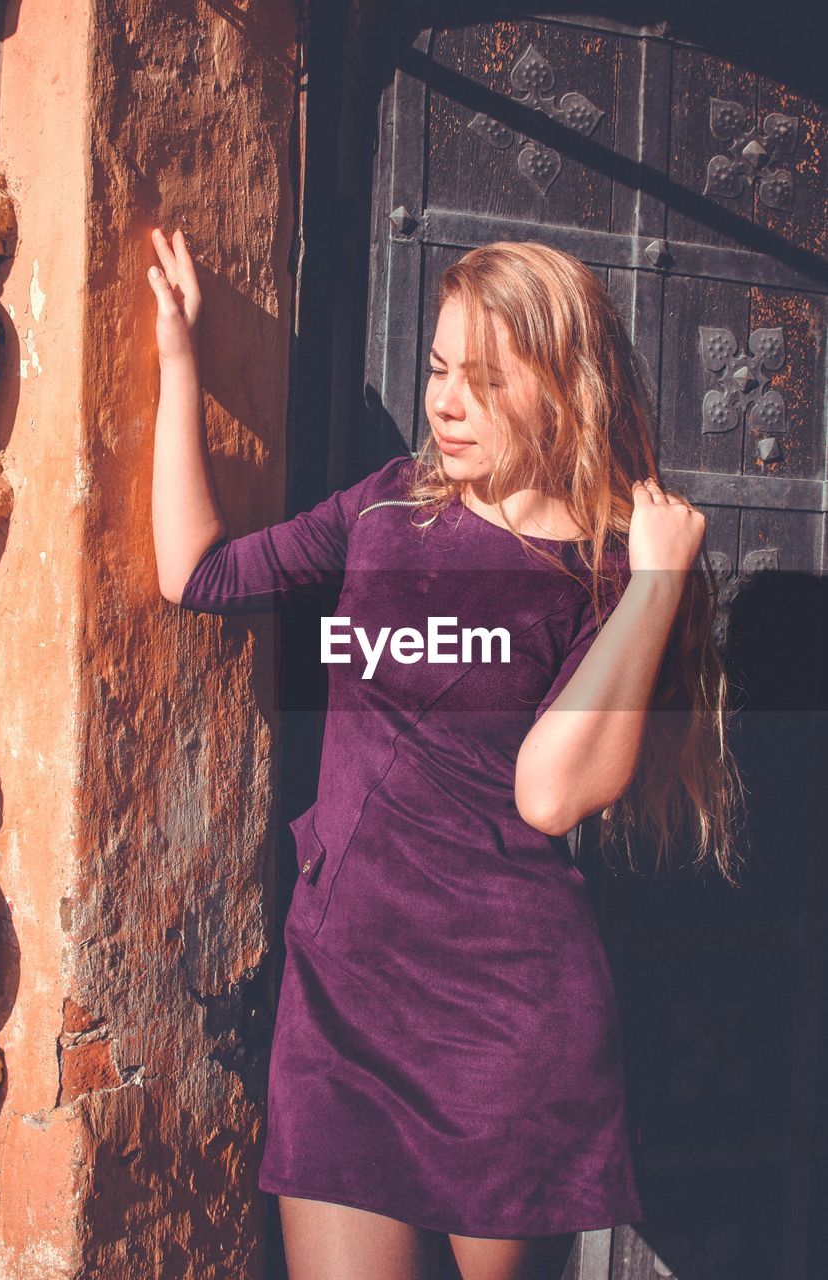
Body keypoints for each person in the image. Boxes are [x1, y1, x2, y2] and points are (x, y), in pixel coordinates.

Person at [148, 230, 746, 1280]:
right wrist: (181, 361)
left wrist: (653, 588)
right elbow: (197, 573)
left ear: (560, 390)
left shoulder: (607, 576)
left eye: (482, 379)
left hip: (505, 1026)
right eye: (434, 370)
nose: (445, 403)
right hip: (340, 1000)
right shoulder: (385, 504)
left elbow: (551, 791)